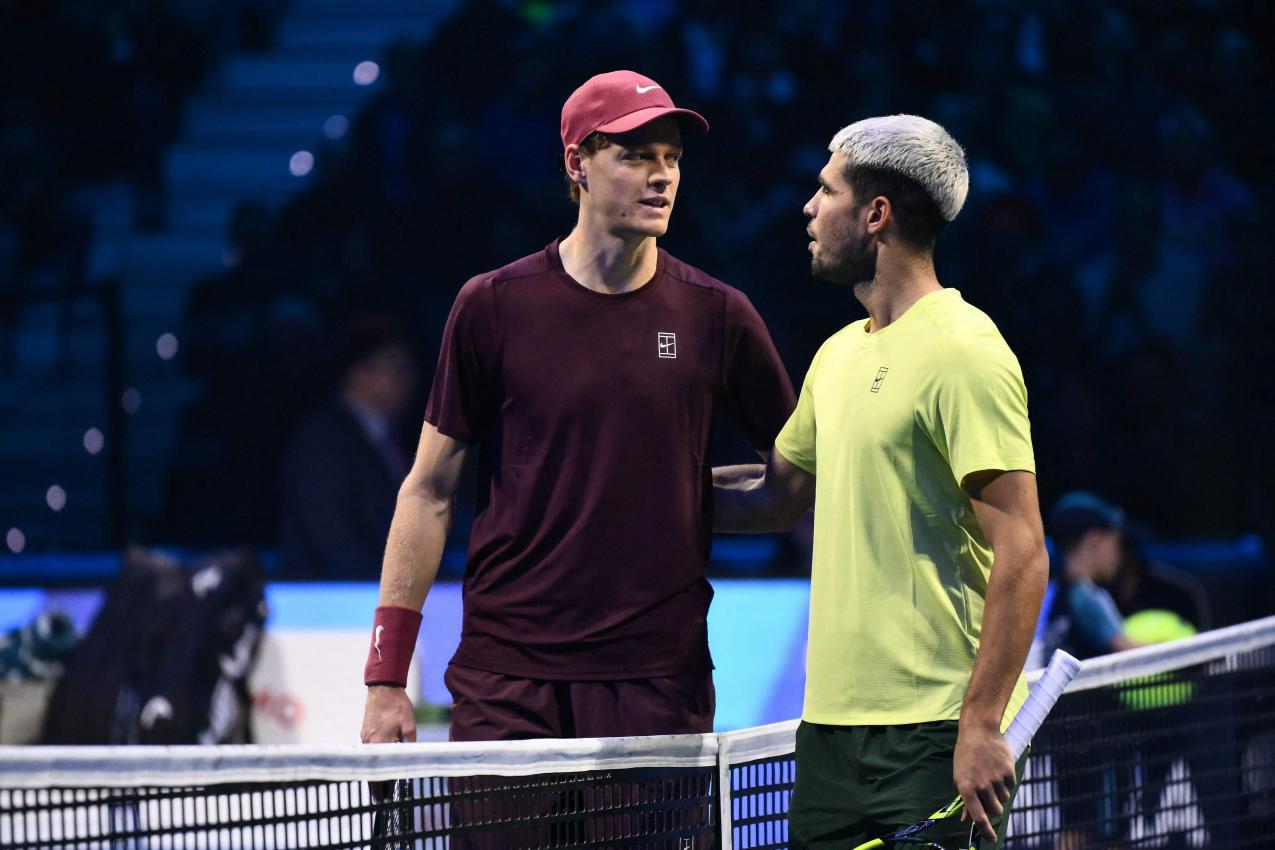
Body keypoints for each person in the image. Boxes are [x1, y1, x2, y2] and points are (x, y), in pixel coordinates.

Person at [361, 70, 795, 748]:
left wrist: (673, 496)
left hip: (658, 684)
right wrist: (386, 677)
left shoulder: (719, 316)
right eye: (634, 155)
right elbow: (428, 490)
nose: (661, 176)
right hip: (506, 684)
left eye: (672, 158)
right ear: (577, 164)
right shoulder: (492, 306)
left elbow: (789, 486)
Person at [713, 115, 1048, 849]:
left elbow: (1021, 550)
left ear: (875, 215)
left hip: (935, 730)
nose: (807, 207)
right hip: (830, 734)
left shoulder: (964, 351)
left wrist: (981, 723)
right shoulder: (836, 356)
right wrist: (635, 490)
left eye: (824, 189)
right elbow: (776, 495)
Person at [278, 315, 417, 578]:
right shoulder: (323, 443)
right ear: (359, 374)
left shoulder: (390, 440)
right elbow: (334, 542)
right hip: (333, 604)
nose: (409, 378)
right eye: (397, 367)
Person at [1040, 491, 1142, 660]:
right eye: (1117, 543)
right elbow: (1134, 655)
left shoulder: (1043, 593)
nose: (1119, 555)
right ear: (1094, 540)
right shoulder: (1088, 596)